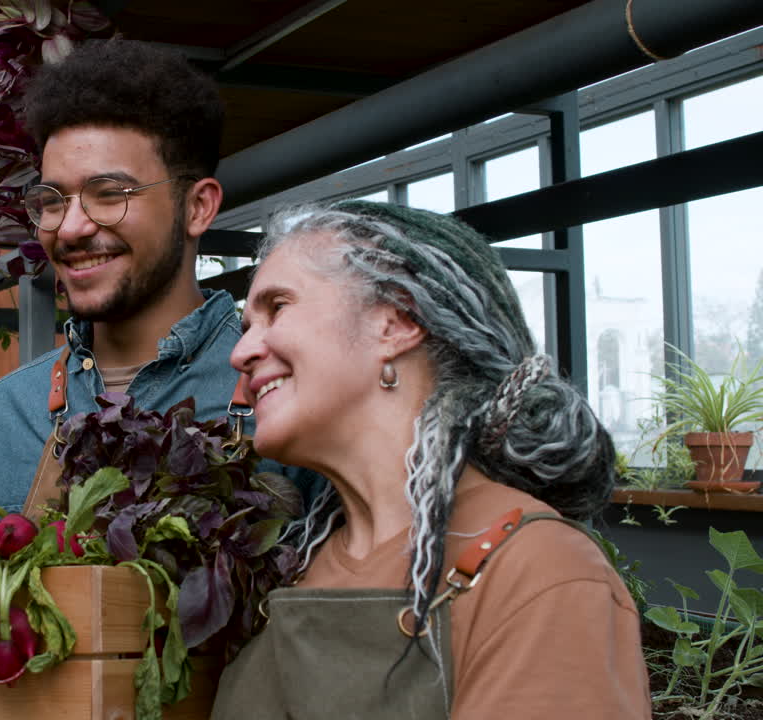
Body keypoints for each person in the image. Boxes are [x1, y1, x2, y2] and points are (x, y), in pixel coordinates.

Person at [212, 200, 649, 718]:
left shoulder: (541, 574)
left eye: (277, 307)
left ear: (396, 323)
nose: (240, 353)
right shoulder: (296, 567)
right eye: (245, 326)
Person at [0, 38, 325, 518]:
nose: (70, 228)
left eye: (108, 194)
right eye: (53, 200)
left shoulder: (284, 392)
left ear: (197, 207)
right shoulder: (3, 417)